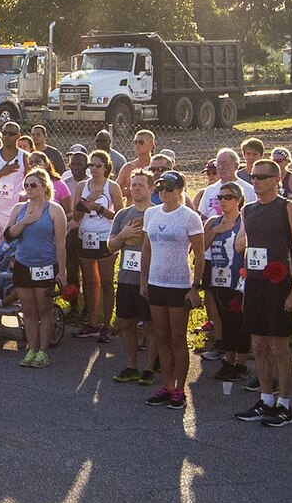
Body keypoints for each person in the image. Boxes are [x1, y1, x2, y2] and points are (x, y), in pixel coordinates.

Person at [234, 159, 292, 426]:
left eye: (261, 177)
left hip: (279, 284)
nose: (255, 181)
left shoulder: (288, 208)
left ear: (275, 180)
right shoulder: (249, 209)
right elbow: (246, 248)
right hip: (255, 283)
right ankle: (266, 398)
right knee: (258, 343)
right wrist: (244, 283)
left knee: (279, 344)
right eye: (253, 176)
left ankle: (284, 403)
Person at [136, 170, 203, 408]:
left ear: (179, 191)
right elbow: (146, 249)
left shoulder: (189, 217)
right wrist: (143, 281)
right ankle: (167, 385)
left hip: (178, 284)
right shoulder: (151, 213)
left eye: (168, 189)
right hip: (155, 283)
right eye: (160, 188)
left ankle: (180, 389)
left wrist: (195, 287)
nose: (163, 192)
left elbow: (199, 254)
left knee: (177, 339)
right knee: (161, 337)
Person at [2, 169, 68, 369]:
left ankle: (43, 351)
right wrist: (26, 221)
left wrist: (62, 271)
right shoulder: (19, 209)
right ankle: (32, 348)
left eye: (33, 185)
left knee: (44, 310)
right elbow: (8, 236)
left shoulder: (54, 210)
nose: (29, 189)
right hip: (23, 265)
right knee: (28, 311)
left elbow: (61, 244)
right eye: (26, 185)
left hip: (45, 266)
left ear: (44, 187)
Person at [200, 181, 249, 382]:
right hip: (219, 277)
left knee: (241, 323)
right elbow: (201, 245)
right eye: (220, 197)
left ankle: (242, 363)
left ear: (238, 200)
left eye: (228, 197)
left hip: (239, 279)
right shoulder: (213, 221)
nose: (223, 201)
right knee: (225, 321)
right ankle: (229, 360)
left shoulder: (244, 221)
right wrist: (216, 230)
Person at [68, 151, 120, 340]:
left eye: (98, 165)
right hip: (85, 237)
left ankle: (107, 324)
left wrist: (99, 208)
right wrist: (88, 199)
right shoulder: (82, 186)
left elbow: (119, 217)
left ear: (106, 167)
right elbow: (76, 215)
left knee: (106, 281)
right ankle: (92, 321)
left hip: (104, 237)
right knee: (90, 281)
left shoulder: (112, 187)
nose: (94, 169)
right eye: (91, 165)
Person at [107, 168, 152, 383]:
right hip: (127, 277)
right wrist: (123, 235)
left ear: (151, 188)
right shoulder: (123, 214)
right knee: (127, 323)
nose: (135, 189)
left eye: (140, 185)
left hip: (151, 279)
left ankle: (150, 368)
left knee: (151, 326)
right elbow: (110, 245)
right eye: (133, 185)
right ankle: (131, 365)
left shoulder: (157, 213)